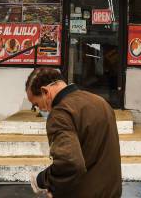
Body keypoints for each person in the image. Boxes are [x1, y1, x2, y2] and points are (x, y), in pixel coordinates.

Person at [26, 67, 122, 198]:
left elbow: (69, 164)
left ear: (45, 91)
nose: (39, 110)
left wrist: (42, 180)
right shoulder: (100, 102)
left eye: (36, 104)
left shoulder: (60, 113)